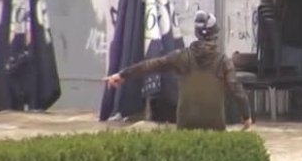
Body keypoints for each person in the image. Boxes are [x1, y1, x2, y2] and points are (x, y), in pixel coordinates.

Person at [103, 11, 252, 131]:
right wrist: (246, 116)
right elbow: (236, 90)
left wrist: (123, 74)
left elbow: (151, 65)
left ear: (197, 33)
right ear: (215, 35)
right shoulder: (223, 61)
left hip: (186, 122)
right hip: (214, 124)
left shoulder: (181, 57)